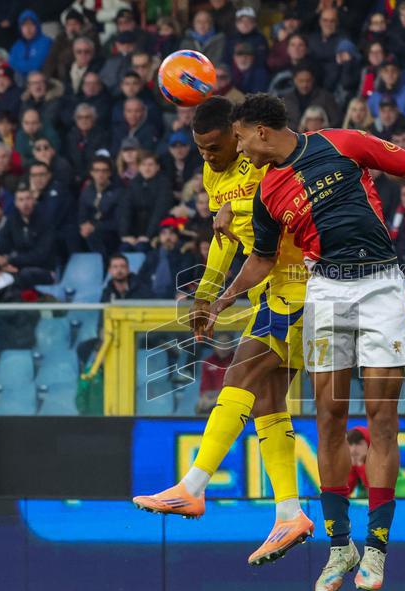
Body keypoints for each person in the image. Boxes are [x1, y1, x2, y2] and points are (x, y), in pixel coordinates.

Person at [206, 94, 405, 591]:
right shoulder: (266, 193)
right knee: (327, 414)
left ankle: (376, 547)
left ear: (261, 131)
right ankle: (339, 545)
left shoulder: (341, 143)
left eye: (240, 137)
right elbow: (262, 260)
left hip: (380, 287)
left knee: (381, 417)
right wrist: (224, 299)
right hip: (325, 290)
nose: (238, 148)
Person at [133, 97, 314, 567]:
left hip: (298, 287)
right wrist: (205, 296)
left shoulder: (266, 162)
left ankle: (191, 487)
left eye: (214, 147)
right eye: (200, 149)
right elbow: (224, 241)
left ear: (239, 135)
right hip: (268, 293)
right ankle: (289, 514)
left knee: (237, 381)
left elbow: (274, 223)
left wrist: (239, 221)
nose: (207, 158)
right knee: (269, 404)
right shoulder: (215, 174)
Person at [345, 425, 405, 498]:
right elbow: (346, 491)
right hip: (371, 504)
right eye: (350, 444)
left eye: (358, 444)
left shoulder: (382, 459)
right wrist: (354, 467)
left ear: (369, 443)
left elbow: (376, 491)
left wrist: (359, 466)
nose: (353, 449)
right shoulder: (355, 462)